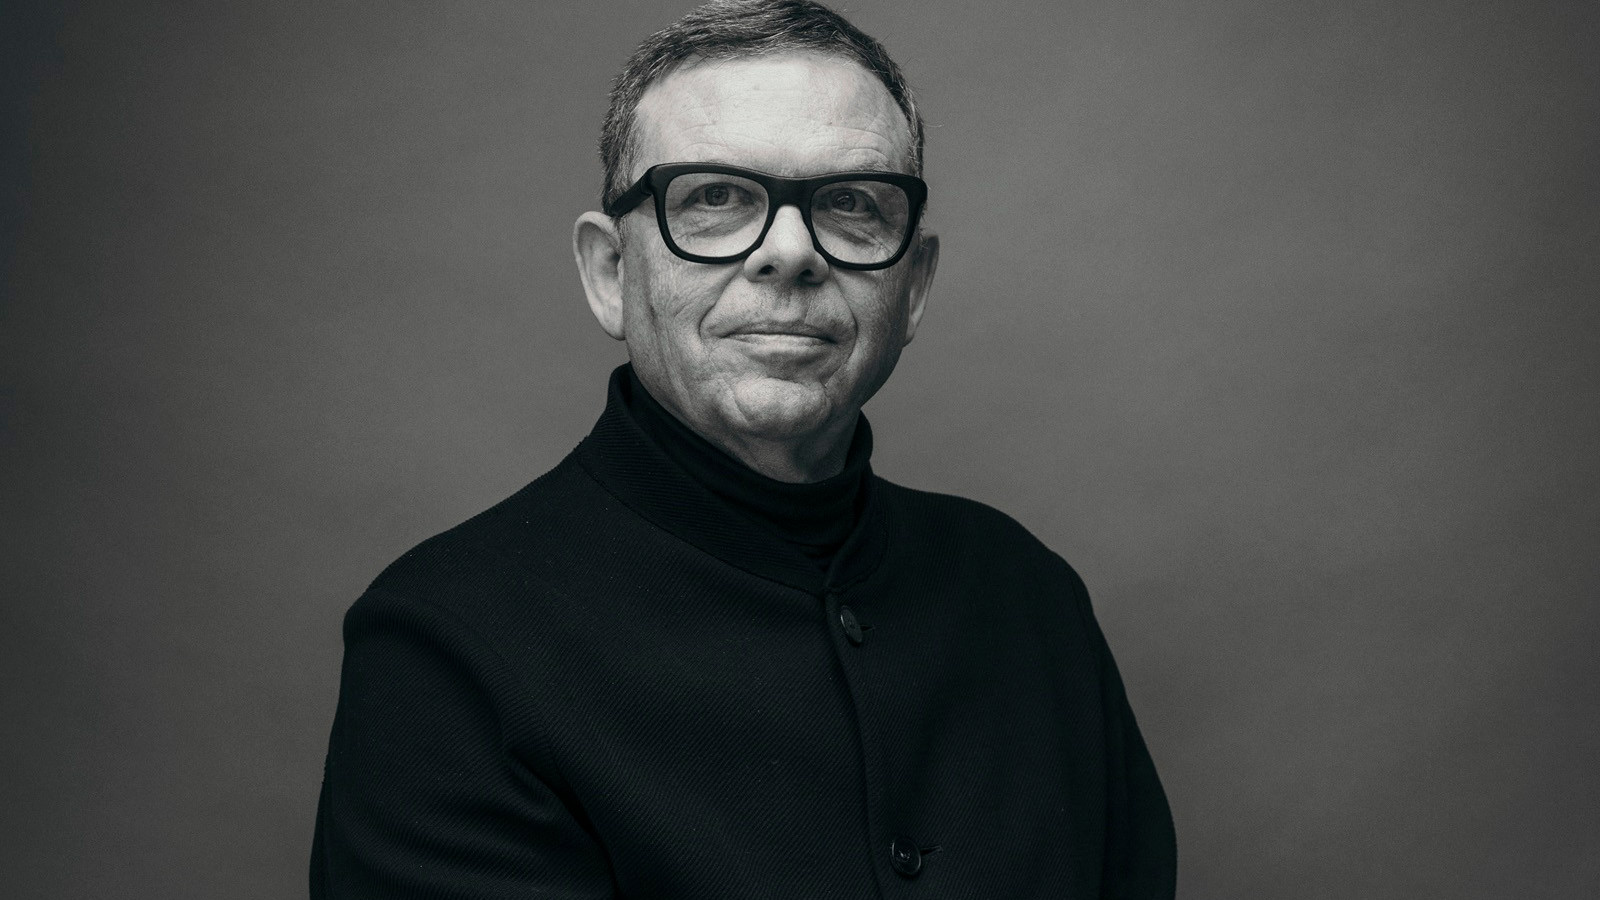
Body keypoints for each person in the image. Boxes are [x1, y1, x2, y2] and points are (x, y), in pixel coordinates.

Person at [310, 1, 1176, 896]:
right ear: (610, 273)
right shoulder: (447, 647)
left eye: (850, 203)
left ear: (914, 286)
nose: (791, 253)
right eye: (715, 198)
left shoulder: (1029, 597)